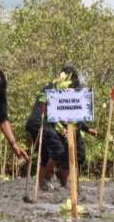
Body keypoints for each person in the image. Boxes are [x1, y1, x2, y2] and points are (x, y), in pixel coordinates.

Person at [24, 65, 96, 195]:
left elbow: (55, 115)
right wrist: (65, 130)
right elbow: (59, 113)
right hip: (41, 123)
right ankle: (45, 178)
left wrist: (66, 129)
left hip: (33, 123)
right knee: (59, 150)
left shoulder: (50, 87)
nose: (71, 88)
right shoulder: (56, 89)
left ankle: (41, 185)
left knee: (45, 155)